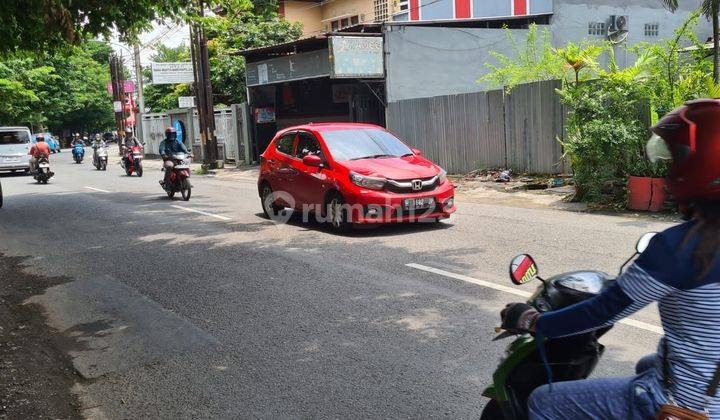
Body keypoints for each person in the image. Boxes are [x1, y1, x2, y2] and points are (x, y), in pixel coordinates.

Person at [502, 99, 720, 419]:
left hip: (680, 404)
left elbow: (604, 311)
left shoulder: (680, 248)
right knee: (647, 363)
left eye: (675, 161)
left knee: (542, 402)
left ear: (698, 166)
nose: (670, 171)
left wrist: (532, 321)